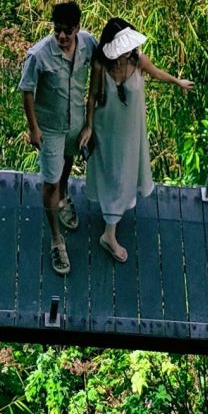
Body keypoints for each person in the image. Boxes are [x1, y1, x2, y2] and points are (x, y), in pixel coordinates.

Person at [79, 17, 193, 264]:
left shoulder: (137, 60)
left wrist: (177, 82)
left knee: (124, 171)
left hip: (130, 129)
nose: (128, 51)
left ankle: (111, 222)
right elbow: (92, 97)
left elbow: (157, 73)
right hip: (106, 126)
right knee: (112, 172)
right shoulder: (101, 65)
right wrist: (89, 126)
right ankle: (109, 234)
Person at [18, 0, 96, 276]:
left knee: (67, 161)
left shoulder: (87, 44)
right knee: (49, 182)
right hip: (50, 127)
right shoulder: (39, 55)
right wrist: (34, 128)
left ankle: (64, 197)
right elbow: (27, 90)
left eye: (67, 31)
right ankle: (56, 239)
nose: (61, 36)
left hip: (75, 122)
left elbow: (105, 63)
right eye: (57, 30)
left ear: (78, 28)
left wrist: (89, 122)